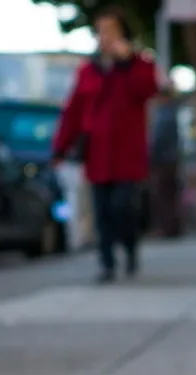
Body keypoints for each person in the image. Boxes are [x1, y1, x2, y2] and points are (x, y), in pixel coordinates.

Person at [51, 5, 159, 283]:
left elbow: (147, 90)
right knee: (102, 211)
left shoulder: (140, 66)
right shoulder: (89, 71)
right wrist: (60, 148)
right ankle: (107, 263)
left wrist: (126, 62)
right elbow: (73, 111)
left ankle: (130, 248)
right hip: (97, 153)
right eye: (101, 31)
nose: (106, 37)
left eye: (111, 31)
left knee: (124, 206)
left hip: (128, 153)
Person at [146, 89, 183, 239]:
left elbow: (158, 139)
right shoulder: (171, 112)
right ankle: (171, 227)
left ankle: (166, 228)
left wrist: (150, 156)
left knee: (162, 196)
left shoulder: (164, 114)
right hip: (170, 160)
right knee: (170, 196)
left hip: (163, 162)